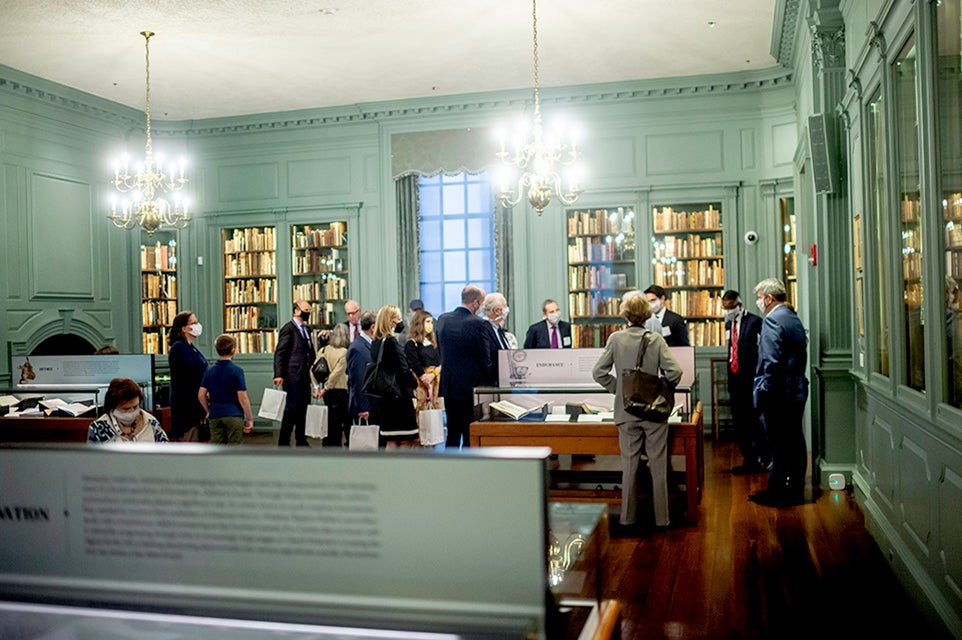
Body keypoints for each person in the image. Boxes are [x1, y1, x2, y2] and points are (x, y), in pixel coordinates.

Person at [592, 294, 682, 532]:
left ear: (625, 314)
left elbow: (598, 372)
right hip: (654, 413)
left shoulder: (616, 339)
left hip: (626, 411)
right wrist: (660, 391)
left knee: (629, 466)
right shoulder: (656, 339)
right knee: (658, 465)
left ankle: (627, 519)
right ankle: (662, 519)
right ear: (647, 314)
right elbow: (675, 372)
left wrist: (619, 390)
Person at [750, 277, 809, 507]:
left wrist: (764, 391)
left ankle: (776, 492)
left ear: (769, 298)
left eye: (760, 298)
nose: (759, 302)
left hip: (778, 393)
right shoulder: (792, 317)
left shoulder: (772, 321)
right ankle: (795, 490)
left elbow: (771, 361)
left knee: (778, 443)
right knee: (795, 440)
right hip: (795, 390)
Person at [436, 284, 493, 448]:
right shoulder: (479, 323)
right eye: (481, 303)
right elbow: (484, 358)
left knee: (452, 433)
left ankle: (450, 471)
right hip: (471, 387)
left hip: (449, 385)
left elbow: (441, 350)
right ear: (475, 303)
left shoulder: (442, 319)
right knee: (470, 433)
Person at [721, 290, 769, 474]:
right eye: (725, 308)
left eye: (731, 307)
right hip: (734, 381)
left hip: (751, 380)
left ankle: (763, 458)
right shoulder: (728, 325)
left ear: (739, 305)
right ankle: (749, 459)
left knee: (755, 421)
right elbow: (730, 350)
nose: (728, 311)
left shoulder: (755, 322)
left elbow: (760, 352)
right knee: (739, 422)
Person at [369, 305, 419, 447]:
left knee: (391, 439)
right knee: (406, 439)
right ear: (391, 322)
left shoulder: (376, 342)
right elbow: (403, 369)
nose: (401, 323)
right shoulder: (391, 342)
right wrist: (414, 384)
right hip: (399, 398)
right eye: (399, 319)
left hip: (385, 397)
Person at [273, 299, 316, 447]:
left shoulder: (307, 330)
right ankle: (284, 442)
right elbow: (280, 352)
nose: (307, 313)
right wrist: (278, 374)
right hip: (292, 375)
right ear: (296, 310)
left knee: (304, 407)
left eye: (310, 311)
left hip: (305, 375)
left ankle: (301, 439)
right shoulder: (288, 329)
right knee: (291, 408)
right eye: (306, 310)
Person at [198, 334, 253, 445]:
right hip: (234, 414)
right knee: (234, 449)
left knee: (217, 448)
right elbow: (242, 397)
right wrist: (250, 418)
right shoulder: (237, 371)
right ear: (233, 351)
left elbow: (200, 395)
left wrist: (208, 411)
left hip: (215, 414)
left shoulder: (209, 371)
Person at [168, 310, 208, 442]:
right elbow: (190, 374)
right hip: (186, 404)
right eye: (194, 323)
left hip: (195, 403)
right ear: (184, 328)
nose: (197, 325)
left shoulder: (191, 347)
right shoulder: (179, 348)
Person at [88, 377, 168, 443]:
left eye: (135, 406)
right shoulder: (98, 428)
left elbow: (166, 456)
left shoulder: (152, 423)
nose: (132, 411)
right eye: (126, 409)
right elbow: (92, 460)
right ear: (112, 408)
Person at [313, 322, 350, 447]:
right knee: (338, 422)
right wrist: (327, 387)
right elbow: (337, 373)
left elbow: (313, 370)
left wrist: (317, 387)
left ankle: (327, 445)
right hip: (340, 390)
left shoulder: (323, 350)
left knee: (327, 421)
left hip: (326, 392)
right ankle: (336, 448)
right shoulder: (344, 352)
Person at [404, 309, 442, 417]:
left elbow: (440, 362)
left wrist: (433, 375)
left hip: (436, 381)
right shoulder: (412, 344)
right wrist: (427, 382)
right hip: (421, 384)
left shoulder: (433, 342)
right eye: (427, 322)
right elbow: (415, 365)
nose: (430, 325)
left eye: (431, 322)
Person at [346, 310, 377, 441]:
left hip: (374, 403)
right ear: (373, 327)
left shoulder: (370, 344)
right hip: (366, 407)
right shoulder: (357, 349)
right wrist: (363, 408)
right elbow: (358, 380)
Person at [480, 292, 511, 381]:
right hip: (492, 382)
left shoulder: (498, 329)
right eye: (505, 306)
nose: (507, 309)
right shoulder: (484, 329)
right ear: (497, 311)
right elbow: (486, 359)